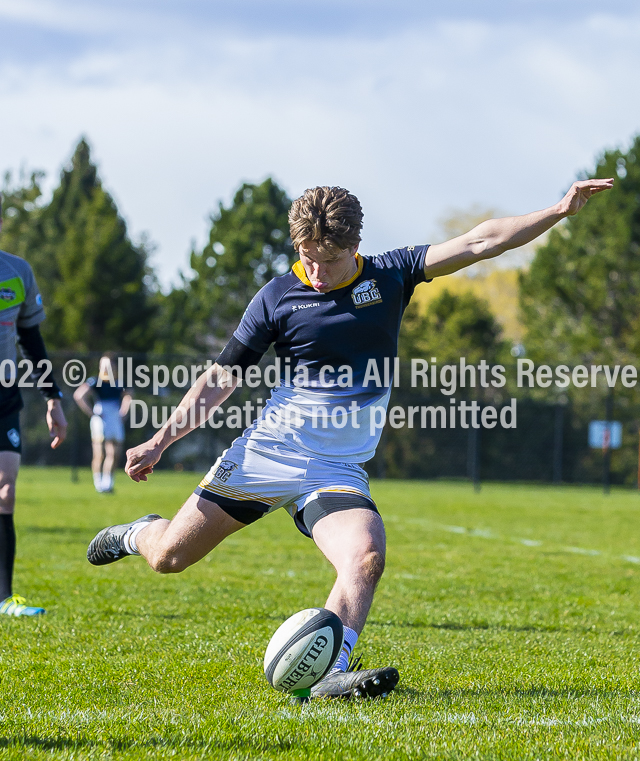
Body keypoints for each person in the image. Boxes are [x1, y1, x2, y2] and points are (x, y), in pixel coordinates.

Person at [87, 179, 612, 697]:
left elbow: (479, 241)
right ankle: (141, 532)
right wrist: (160, 440)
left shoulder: (390, 275)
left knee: (365, 556)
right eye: (306, 258)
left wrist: (559, 210)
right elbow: (219, 380)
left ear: (355, 248)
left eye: (327, 261)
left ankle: (330, 671)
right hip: (268, 455)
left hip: (336, 470)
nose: (314, 272)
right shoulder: (277, 296)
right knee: (169, 557)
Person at [0, 195, 67, 617]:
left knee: (6, 488)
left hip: (5, 394)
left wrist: (52, 398)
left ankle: (4, 598)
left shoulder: (17, 271)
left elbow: (32, 341)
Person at [73, 353, 131, 493]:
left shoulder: (120, 383)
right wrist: (92, 413)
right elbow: (79, 395)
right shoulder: (95, 381)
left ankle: (108, 483)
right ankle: (98, 482)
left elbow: (128, 397)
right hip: (101, 416)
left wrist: (123, 411)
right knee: (99, 452)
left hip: (114, 416)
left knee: (114, 452)